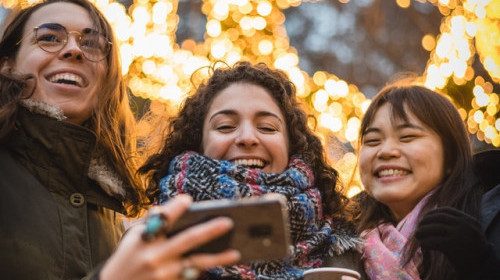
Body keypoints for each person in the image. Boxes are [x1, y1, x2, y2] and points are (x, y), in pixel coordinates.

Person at [0, 1, 240, 279]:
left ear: (106, 77)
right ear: (7, 63)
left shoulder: (114, 208)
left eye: (91, 44)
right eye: (50, 38)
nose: (74, 50)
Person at [138, 61, 364, 279]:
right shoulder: (147, 247)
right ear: (199, 143)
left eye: (266, 127)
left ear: (290, 146)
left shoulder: (346, 252)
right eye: (225, 126)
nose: (247, 138)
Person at [350, 82, 500, 279]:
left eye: (407, 137)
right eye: (372, 141)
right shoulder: (337, 240)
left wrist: (481, 266)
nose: (386, 151)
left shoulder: (490, 224)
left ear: (451, 156)